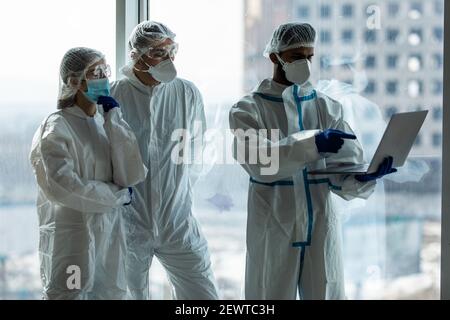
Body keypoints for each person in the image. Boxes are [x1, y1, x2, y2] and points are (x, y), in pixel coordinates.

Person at [229, 23, 396, 300]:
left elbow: (341, 172)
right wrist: (313, 144)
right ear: (275, 57)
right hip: (274, 227)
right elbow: (261, 161)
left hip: (320, 227)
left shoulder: (327, 107)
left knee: (327, 293)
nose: (305, 64)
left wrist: (363, 177)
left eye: (309, 56)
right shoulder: (249, 109)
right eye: (296, 57)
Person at [111, 21, 219, 300]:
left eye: (172, 52)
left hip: (177, 221)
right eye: (159, 53)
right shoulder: (114, 95)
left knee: (203, 295)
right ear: (137, 55)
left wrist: (177, 193)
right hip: (128, 223)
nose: (169, 60)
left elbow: (195, 154)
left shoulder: (186, 93)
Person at [29, 47, 147, 300]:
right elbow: (63, 187)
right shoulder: (56, 128)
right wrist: (116, 196)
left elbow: (132, 175)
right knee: (69, 294)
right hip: (71, 239)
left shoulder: (106, 124)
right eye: (95, 72)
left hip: (109, 236)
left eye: (106, 70)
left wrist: (114, 119)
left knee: (111, 293)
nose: (104, 77)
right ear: (74, 81)